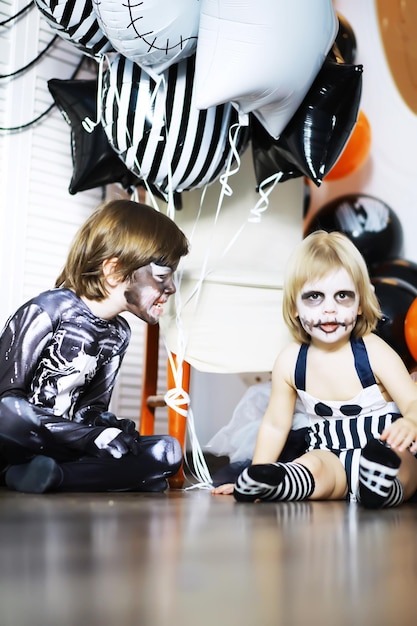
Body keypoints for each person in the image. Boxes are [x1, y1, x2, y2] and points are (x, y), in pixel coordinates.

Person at [213, 230, 417, 508]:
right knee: (313, 465)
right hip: (330, 457)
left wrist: (411, 422)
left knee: (403, 463)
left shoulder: (372, 350)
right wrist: (255, 471)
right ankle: (278, 481)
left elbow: (412, 401)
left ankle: (380, 484)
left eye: (342, 295)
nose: (329, 310)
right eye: (314, 297)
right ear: (294, 306)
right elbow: (275, 425)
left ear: (359, 304)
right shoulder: (291, 361)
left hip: (382, 449)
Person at [0, 199, 189, 494]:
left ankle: (53, 477)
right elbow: (6, 403)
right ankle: (101, 477)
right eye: (162, 276)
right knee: (9, 417)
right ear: (114, 271)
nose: (172, 288)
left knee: (168, 451)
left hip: (68, 445)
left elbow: (90, 409)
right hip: (23, 437)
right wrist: (90, 438)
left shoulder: (118, 334)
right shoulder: (46, 310)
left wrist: (108, 427)